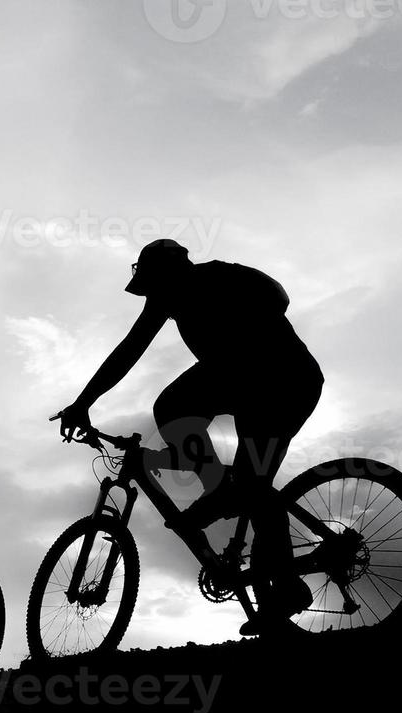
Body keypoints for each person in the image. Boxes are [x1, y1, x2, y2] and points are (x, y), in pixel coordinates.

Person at [56, 239, 324, 634]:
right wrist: (83, 401)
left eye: (156, 285)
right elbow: (128, 350)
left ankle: (284, 584)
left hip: (284, 382)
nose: (155, 296)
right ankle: (225, 502)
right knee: (183, 419)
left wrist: (241, 339)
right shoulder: (168, 299)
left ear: (172, 273)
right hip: (243, 382)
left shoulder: (217, 277)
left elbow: (277, 297)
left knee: (248, 480)